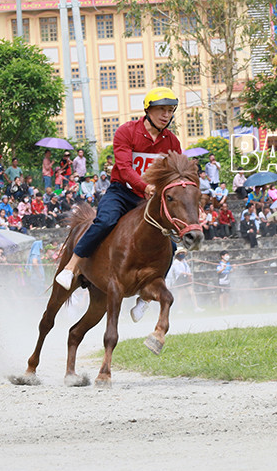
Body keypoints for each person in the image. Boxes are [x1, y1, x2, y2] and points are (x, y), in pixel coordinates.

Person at [53, 87, 183, 322]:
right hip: (122, 192)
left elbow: (175, 174)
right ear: (148, 110)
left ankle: (145, 297)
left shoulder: (172, 141)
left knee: (170, 244)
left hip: (148, 200)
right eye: (161, 109)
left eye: (170, 110)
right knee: (105, 221)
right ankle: (72, 266)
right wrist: (145, 187)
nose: (166, 114)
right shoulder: (127, 131)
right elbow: (124, 168)